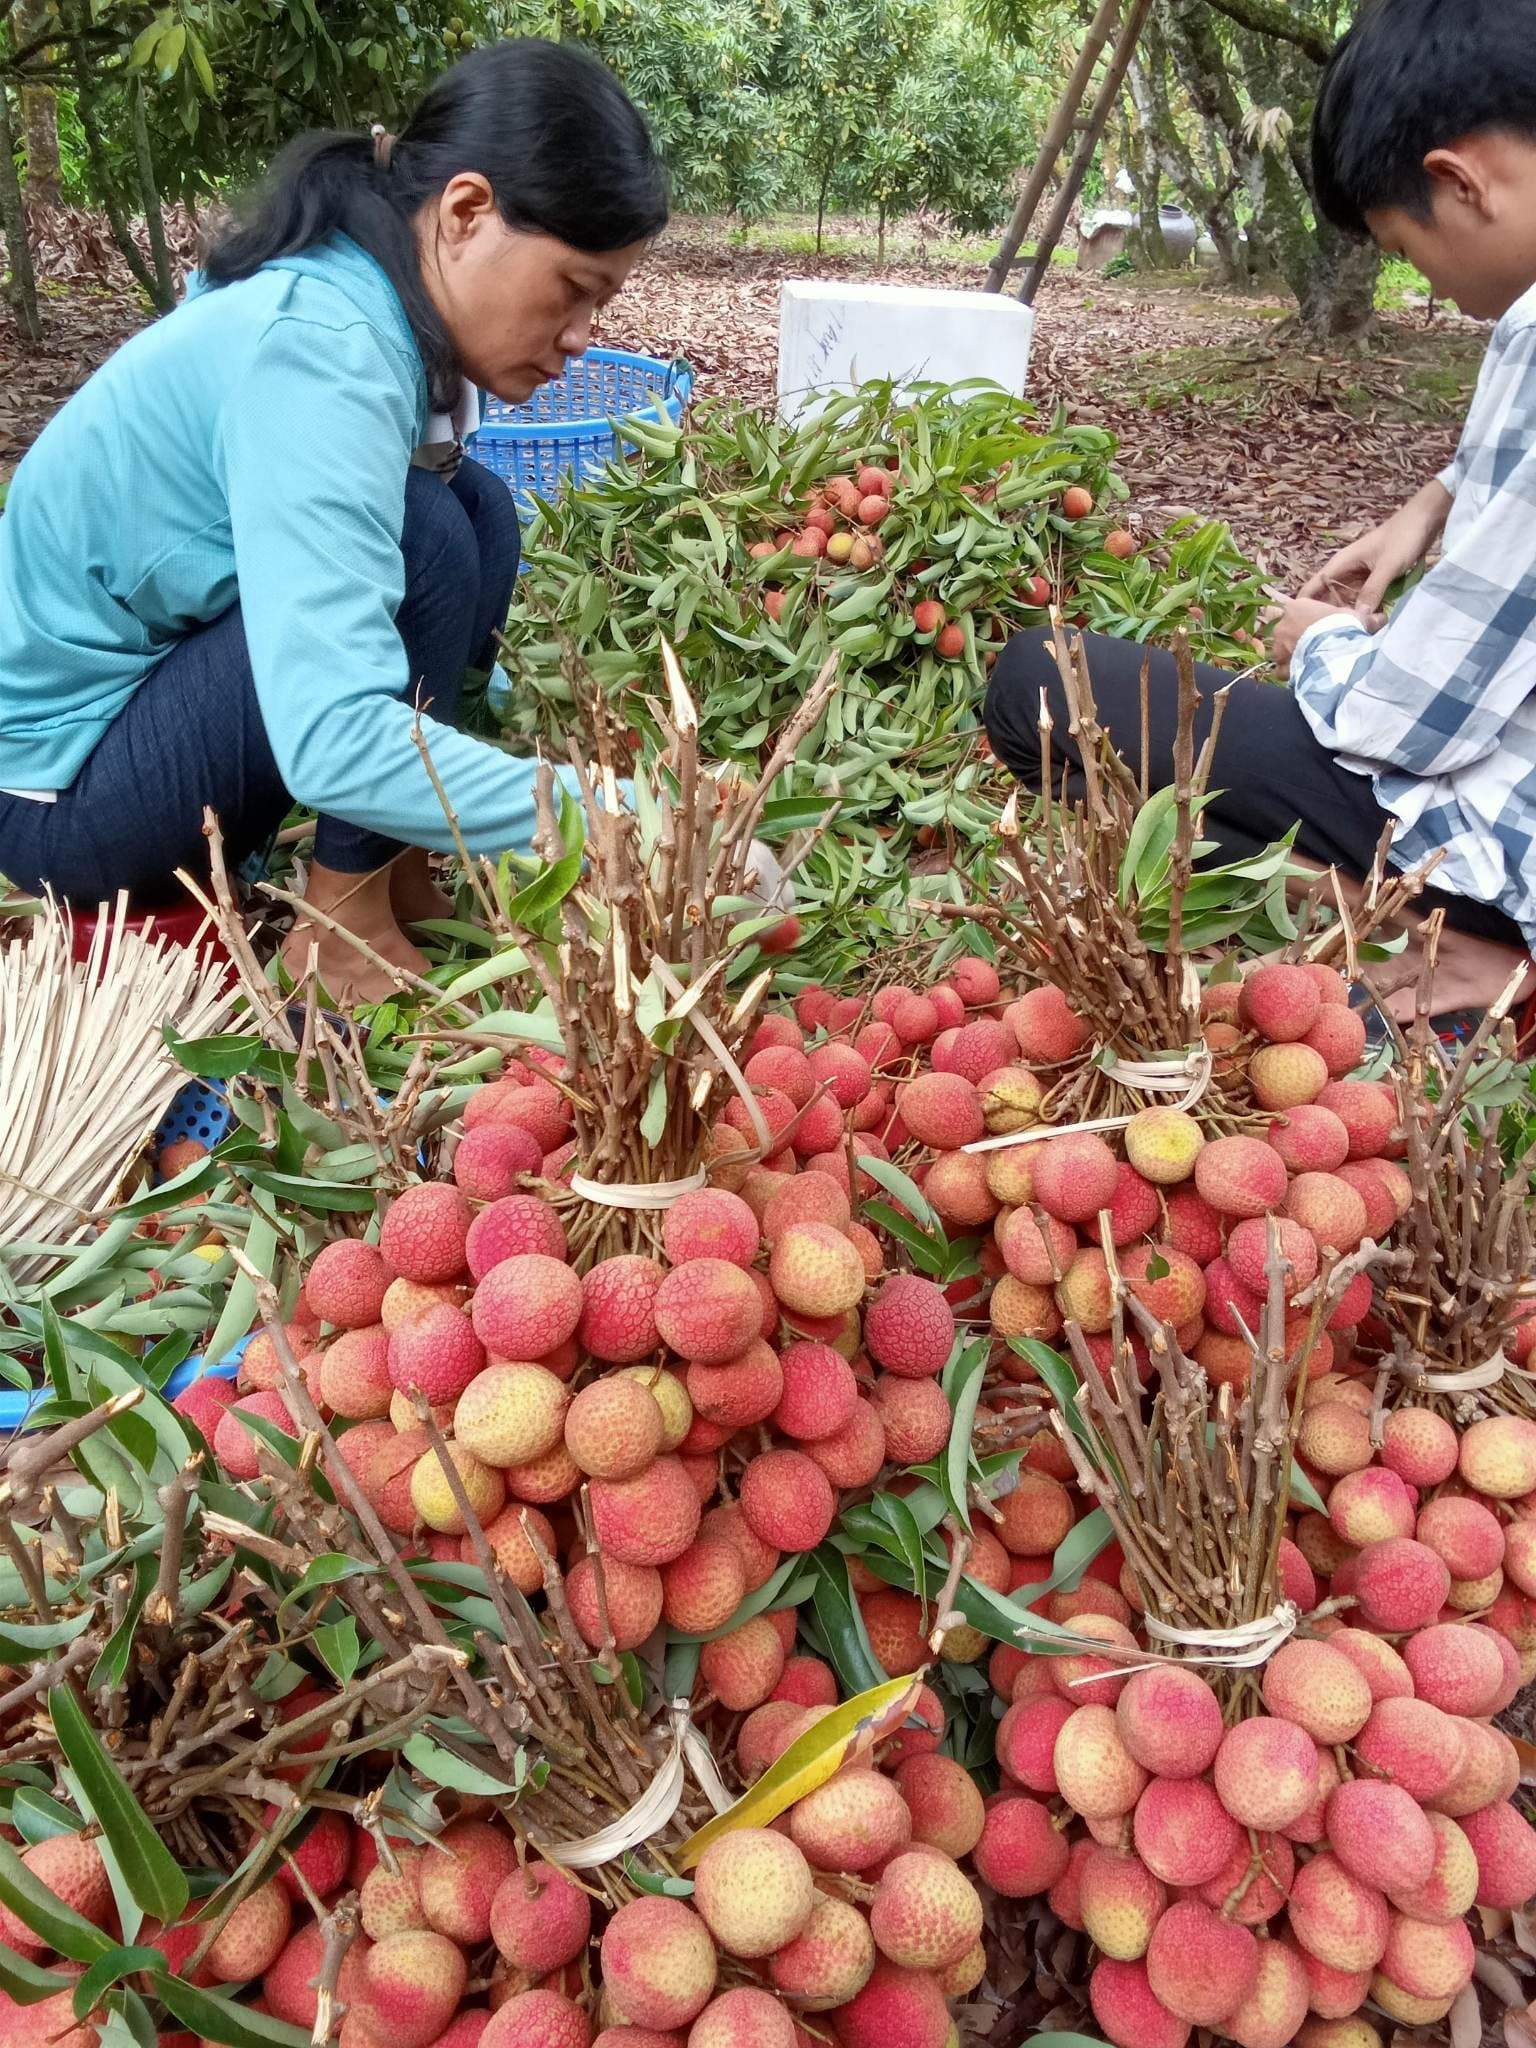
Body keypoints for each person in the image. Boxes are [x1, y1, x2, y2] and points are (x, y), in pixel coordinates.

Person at [0, 40, 668, 999]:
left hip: (144, 709)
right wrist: (615, 817)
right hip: (61, 798)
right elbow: (332, 735)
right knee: (426, 535)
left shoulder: (361, 288)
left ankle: (396, 872)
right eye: (573, 292)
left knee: (472, 507)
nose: (578, 340)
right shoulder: (323, 348)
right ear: (468, 212)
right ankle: (339, 926)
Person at [985, 0, 1536, 1028]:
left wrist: (1319, 643)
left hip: (1498, 838)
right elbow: (1500, 470)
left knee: (1037, 687)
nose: (1420, 276)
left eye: (1405, 247)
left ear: (1460, 182)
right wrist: (1428, 508)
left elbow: (1408, 722)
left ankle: (1461, 944)